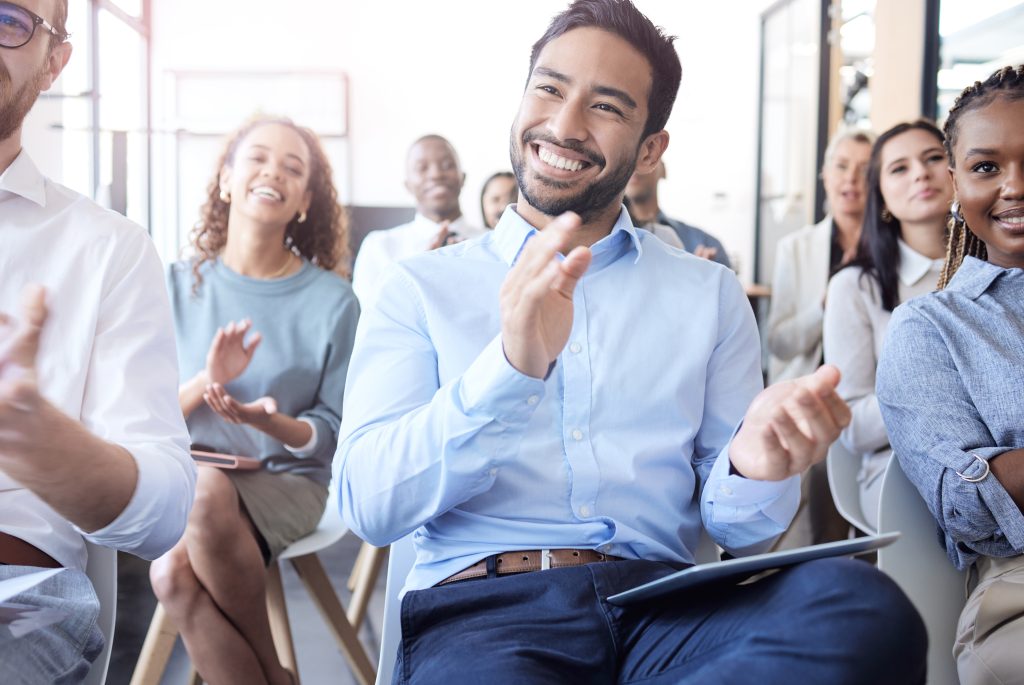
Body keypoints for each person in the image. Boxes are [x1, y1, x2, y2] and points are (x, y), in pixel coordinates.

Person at [338, 1, 925, 682]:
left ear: (650, 150)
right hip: (483, 616)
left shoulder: (707, 293)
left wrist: (753, 464)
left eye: (606, 107)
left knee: (861, 608)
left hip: (665, 610)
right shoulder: (418, 288)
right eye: (550, 88)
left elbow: (745, 530)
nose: (563, 124)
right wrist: (508, 369)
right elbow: (369, 504)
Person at [0, 1, 195, 681]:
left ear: (55, 60)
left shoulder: (108, 250)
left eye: (8, 18)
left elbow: (167, 509)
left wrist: (47, 447)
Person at [148, 117, 360, 685]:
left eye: (293, 168)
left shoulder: (335, 301)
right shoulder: (172, 285)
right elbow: (139, 413)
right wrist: (207, 380)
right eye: (258, 159)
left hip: (289, 480)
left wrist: (271, 421)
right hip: (194, 478)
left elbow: (332, 432)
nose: (274, 173)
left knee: (204, 492)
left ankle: (271, 671)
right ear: (226, 180)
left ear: (305, 201)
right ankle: (275, 674)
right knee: (169, 574)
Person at [877, 64, 1024, 685]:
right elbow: (969, 505)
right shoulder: (930, 326)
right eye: (988, 168)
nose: (1014, 187)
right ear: (958, 184)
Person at [823, 121, 951, 531]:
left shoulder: (998, 271)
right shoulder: (854, 287)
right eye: (899, 168)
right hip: (900, 470)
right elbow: (855, 426)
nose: (920, 173)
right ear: (881, 197)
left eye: (934, 158)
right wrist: (946, 390)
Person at [766, 127, 874, 385]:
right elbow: (778, 344)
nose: (851, 178)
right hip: (806, 389)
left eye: (865, 168)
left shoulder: (892, 247)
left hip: (871, 395)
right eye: (842, 166)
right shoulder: (794, 248)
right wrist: (823, 306)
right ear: (825, 175)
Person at [352, 134, 484, 308]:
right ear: (408, 185)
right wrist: (420, 272)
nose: (436, 174)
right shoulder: (379, 246)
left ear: (463, 178)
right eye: (422, 168)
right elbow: (371, 319)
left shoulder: (493, 242)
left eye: (447, 165)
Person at [625, 159, 732, 267]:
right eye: (628, 159)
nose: (634, 166)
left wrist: (703, 279)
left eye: (645, 157)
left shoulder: (707, 245)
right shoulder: (610, 242)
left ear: (664, 170)